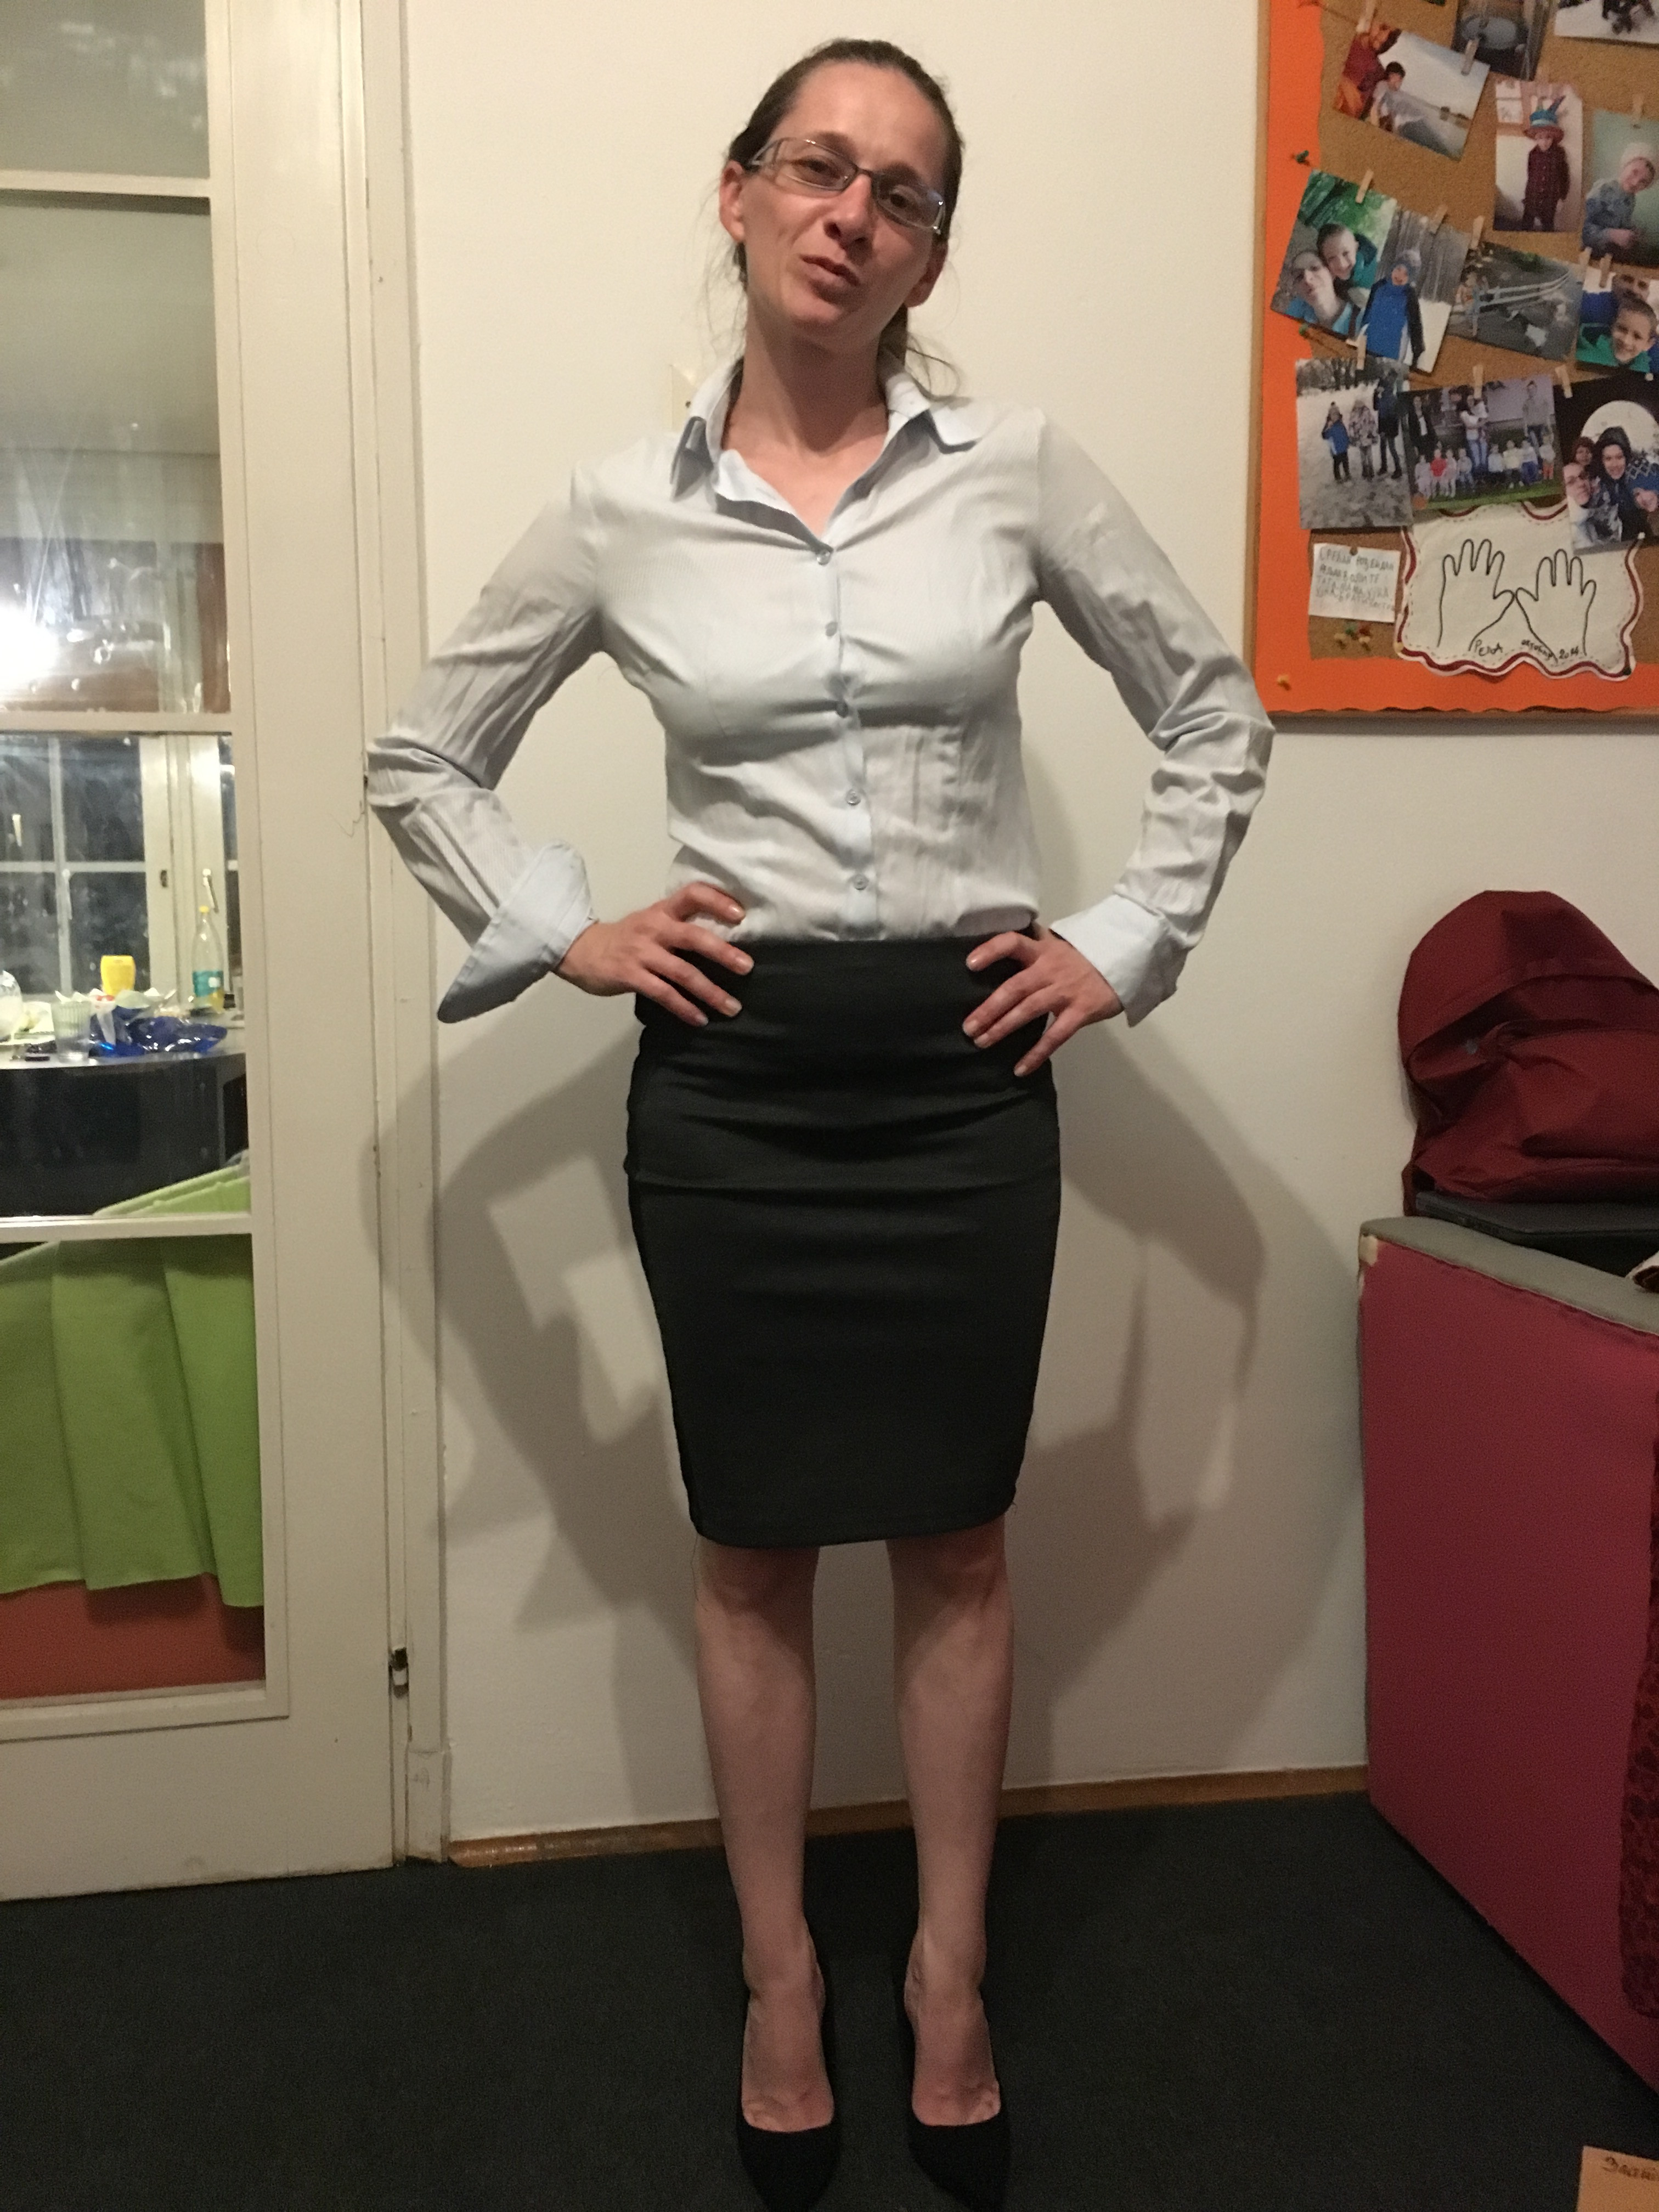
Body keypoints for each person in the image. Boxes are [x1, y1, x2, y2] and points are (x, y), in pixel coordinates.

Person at [365, 39, 1271, 2212]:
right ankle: (782, 1982)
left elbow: (1210, 710)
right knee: (752, 1545)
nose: (852, 213)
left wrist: (1122, 940)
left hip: (962, 1081)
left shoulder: (1019, 473)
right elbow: (422, 759)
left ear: (932, 251)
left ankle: (949, 1978)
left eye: (904, 191)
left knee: (957, 1540)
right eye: (817, 167)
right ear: (741, 191)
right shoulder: (621, 509)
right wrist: (568, 928)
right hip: (737, 1090)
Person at [1583, 145, 1658, 261]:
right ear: (1625, 166)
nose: (1635, 183)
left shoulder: (1631, 199)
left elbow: (1621, 222)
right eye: (1634, 172)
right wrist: (1611, 235)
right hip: (1589, 254)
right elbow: (1581, 229)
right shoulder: (1604, 189)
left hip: (1608, 254)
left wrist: (1632, 231)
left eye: (1643, 182)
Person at [1590, 422, 1659, 539]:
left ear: (1626, 457)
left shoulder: (1638, 478)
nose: (1615, 465)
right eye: (1608, 459)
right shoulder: (1597, 488)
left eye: (1619, 457)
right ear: (1602, 461)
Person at [1362, 245, 1426, 368]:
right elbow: (1366, 316)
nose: (1400, 276)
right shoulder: (1379, 287)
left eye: (1406, 274)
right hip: (1369, 345)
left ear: (1411, 278)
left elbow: (1416, 326)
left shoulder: (1410, 297)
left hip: (1392, 353)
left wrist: (1418, 352)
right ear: (1393, 268)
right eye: (1399, 269)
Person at [1577, 283, 1659, 371]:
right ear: (1613, 326)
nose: (1626, 341)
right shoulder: (1584, 358)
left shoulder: (1646, 367)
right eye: (1622, 329)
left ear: (1649, 344)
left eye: (1637, 336)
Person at [1519, 103, 1572, 234]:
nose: (1544, 142)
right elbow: (1530, 176)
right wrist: (1528, 196)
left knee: (1548, 225)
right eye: (1540, 138)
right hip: (1532, 197)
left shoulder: (1559, 154)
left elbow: (1565, 178)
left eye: (1548, 137)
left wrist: (1562, 198)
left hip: (1550, 199)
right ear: (1536, 139)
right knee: (1526, 223)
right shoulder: (1532, 154)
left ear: (1553, 138)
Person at [1288, 247, 1358, 335]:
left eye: (1315, 268)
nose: (1307, 279)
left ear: (1332, 273)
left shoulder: (1360, 322)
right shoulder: (1297, 308)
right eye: (1299, 276)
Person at [1368, 62, 1409, 134]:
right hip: (1373, 122)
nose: (1401, 81)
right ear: (1391, 75)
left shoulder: (1396, 95)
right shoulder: (1383, 86)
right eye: (1400, 78)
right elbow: (1374, 108)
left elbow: (1393, 117)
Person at [1376, 373, 1403, 478]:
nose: (1378, 389)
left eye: (1379, 387)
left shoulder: (1390, 398)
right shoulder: (1382, 397)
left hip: (1389, 428)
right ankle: (1384, 467)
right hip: (1384, 428)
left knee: (1392, 448)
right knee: (1383, 448)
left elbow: (1391, 417)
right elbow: (1375, 407)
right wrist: (1375, 394)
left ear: (1383, 387)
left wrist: (1384, 430)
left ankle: (1398, 469)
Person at [1347, 393, 1379, 481]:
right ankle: (1365, 469)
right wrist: (1352, 436)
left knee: (1369, 455)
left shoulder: (1366, 412)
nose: (1359, 407)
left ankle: (1370, 469)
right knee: (1363, 455)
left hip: (1367, 437)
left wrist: (1374, 434)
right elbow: (1351, 426)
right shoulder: (1354, 414)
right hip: (1360, 438)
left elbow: (1372, 423)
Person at [1322, 399, 1352, 482]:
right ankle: (1338, 477)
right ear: (1330, 416)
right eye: (1333, 415)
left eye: (1337, 415)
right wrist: (1328, 428)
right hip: (1336, 450)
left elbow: (1345, 433)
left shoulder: (1341, 424)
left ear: (1339, 415)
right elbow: (1325, 436)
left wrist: (1348, 441)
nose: (1335, 417)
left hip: (1344, 448)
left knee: (1346, 462)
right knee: (1337, 464)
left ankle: (1347, 474)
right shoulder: (1329, 426)